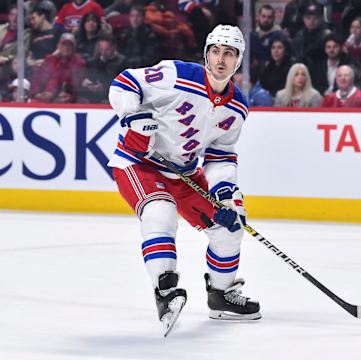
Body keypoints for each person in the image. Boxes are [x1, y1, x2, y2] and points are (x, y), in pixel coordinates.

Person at [107, 24, 260, 334]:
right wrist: (133, 115)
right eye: (215, 51)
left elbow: (221, 155)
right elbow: (124, 83)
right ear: (206, 54)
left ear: (238, 60)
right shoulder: (176, 75)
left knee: (230, 228)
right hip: (140, 163)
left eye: (229, 54)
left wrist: (225, 192)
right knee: (159, 210)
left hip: (185, 173)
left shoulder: (238, 106)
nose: (221, 59)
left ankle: (221, 295)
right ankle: (165, 291)